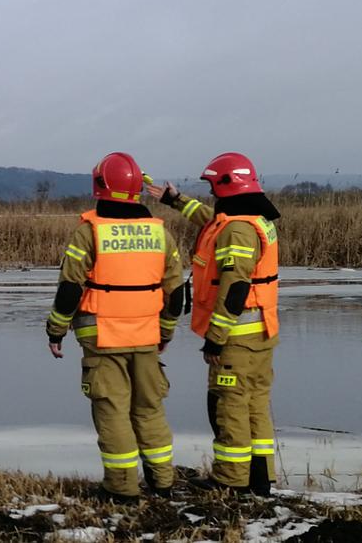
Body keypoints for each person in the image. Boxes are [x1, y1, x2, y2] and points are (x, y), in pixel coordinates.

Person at [46, 152, 187, 502]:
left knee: (112, 409)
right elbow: (175, 292)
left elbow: (70, 288)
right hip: (147, 334)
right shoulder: (160, 234)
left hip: (102, 335)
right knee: (150, 408)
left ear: (99, 186)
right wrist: (165, 333)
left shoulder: (89, 232)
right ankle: (163, 482)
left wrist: (55, 330)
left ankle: (122, 488)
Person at [148, 152, 281, 496]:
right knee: (255, 406)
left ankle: (231, 480)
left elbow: (235, 288)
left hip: (237, 336)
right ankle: (259, 477)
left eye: (212, 186)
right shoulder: (250, 219)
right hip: (260, 333)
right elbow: (211, 222)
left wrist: (215, 338)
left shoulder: (238, 230)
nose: (211, 193)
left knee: (229, 407)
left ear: (227, 185)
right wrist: (175, 200)